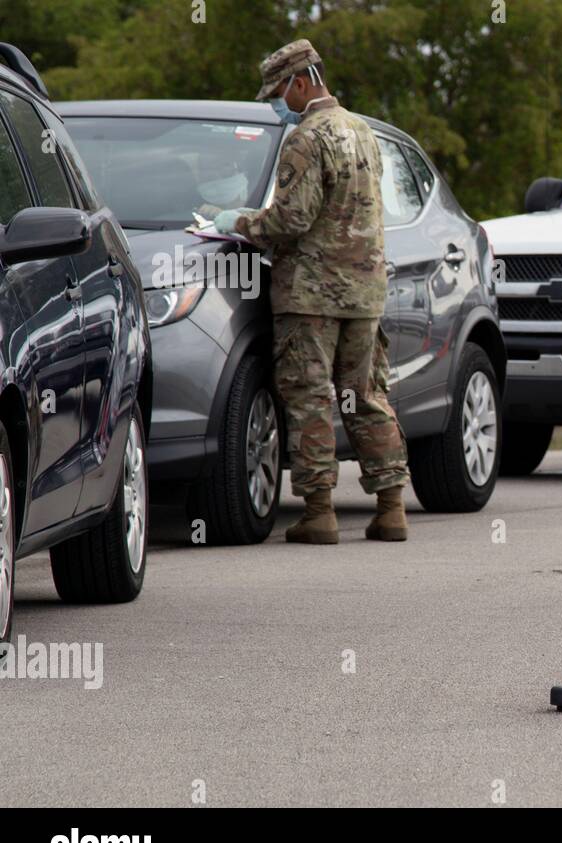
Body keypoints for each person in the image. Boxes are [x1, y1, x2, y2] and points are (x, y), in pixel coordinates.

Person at [212, 39, 410, 542]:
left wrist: (236, 221)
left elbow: (291, 218)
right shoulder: (362, 131)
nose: (279, 103)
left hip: (311, 296)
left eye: (279, 92)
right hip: (365, 294)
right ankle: (391, 509)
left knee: (310, 399)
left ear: (301, 81)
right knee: (366, 395)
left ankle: (319, 513)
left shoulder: (306, 138)